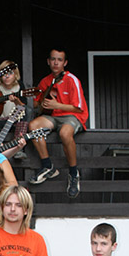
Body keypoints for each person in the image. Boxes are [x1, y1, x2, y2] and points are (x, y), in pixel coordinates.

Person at [28, 48, 88, 198]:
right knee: (33, 126)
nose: (56, 62)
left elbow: (79, 108)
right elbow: (36, 105)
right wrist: (42, 99)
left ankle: (73, 174)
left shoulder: (71, 79)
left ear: (65, 63)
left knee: (64, 133)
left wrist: (57, 105)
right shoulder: (45, 81)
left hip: (72, 116)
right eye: (53, 59)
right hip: (53, 117)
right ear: (48, 61)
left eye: (59, 60)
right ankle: (47, 166)